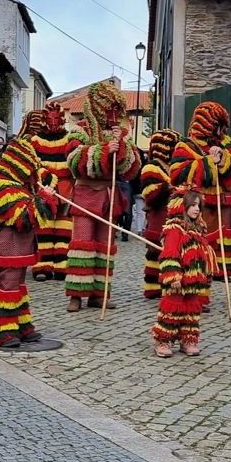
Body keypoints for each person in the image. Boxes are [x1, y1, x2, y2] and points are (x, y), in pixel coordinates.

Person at [64, 82, 141, 312]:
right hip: (85, 194)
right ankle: (77, 294)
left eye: (118, 110)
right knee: (82, 244)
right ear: (99, 107)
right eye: (111, 110)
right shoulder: (80, 129)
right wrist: (106, 150)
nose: (115, 116)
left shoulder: (122, 134)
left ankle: (99, 293)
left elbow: (133, 168)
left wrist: (123, 150)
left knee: (105, 246)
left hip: (109, 196)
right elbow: (74, 160)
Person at [0, 137, 58, 347]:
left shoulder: (19, 187)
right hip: (9, 243)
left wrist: (42, 194)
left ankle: (21, 325)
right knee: (7, 284)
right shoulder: (4, 189)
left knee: (19, 285)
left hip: (21, 245)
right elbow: (24, 218)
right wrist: (43, 198)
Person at [169, 102, 231, 280]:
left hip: (221, 203)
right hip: (197, 204)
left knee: (218, 240)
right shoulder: (186, 146)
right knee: (196, 242)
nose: (219, 131)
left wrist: (222, 162)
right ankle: (193, 280)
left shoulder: (228, 146)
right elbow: (177, 174)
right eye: (216, 125)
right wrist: (207, 163)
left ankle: (216, 274)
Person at [152, 187, 216, 358]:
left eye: (199, 205)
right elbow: (170, 253)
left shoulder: (198, 230)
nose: (197, 209)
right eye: (193, 205)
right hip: (177, 280)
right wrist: (173, 275)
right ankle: (163, 339)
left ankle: (188, 339)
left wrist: (204, 274)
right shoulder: (174, 229)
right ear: (181, 205)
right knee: (172, 308)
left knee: (191, 310)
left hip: (193, 280)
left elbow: (202, 254)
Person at [30, 102, 79, 282]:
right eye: (49, 118)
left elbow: (75, 164)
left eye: (56, 118)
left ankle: (61, 265)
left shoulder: (69, 140)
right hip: (44, 189)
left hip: (66, 190)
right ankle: (43, 264)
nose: (53, 122)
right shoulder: (35, 141)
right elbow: (32, 166)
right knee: (44, 227)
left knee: (63, 228)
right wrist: (45, 179)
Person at [140, 129, 179, 299]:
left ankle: (167, 283)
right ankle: (152, 286)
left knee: (170, 251)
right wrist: (168, 188)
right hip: (158, 215)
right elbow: (149, 193)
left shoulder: (174, 167)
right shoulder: (151, 167)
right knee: (155, 250)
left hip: (173, 215)